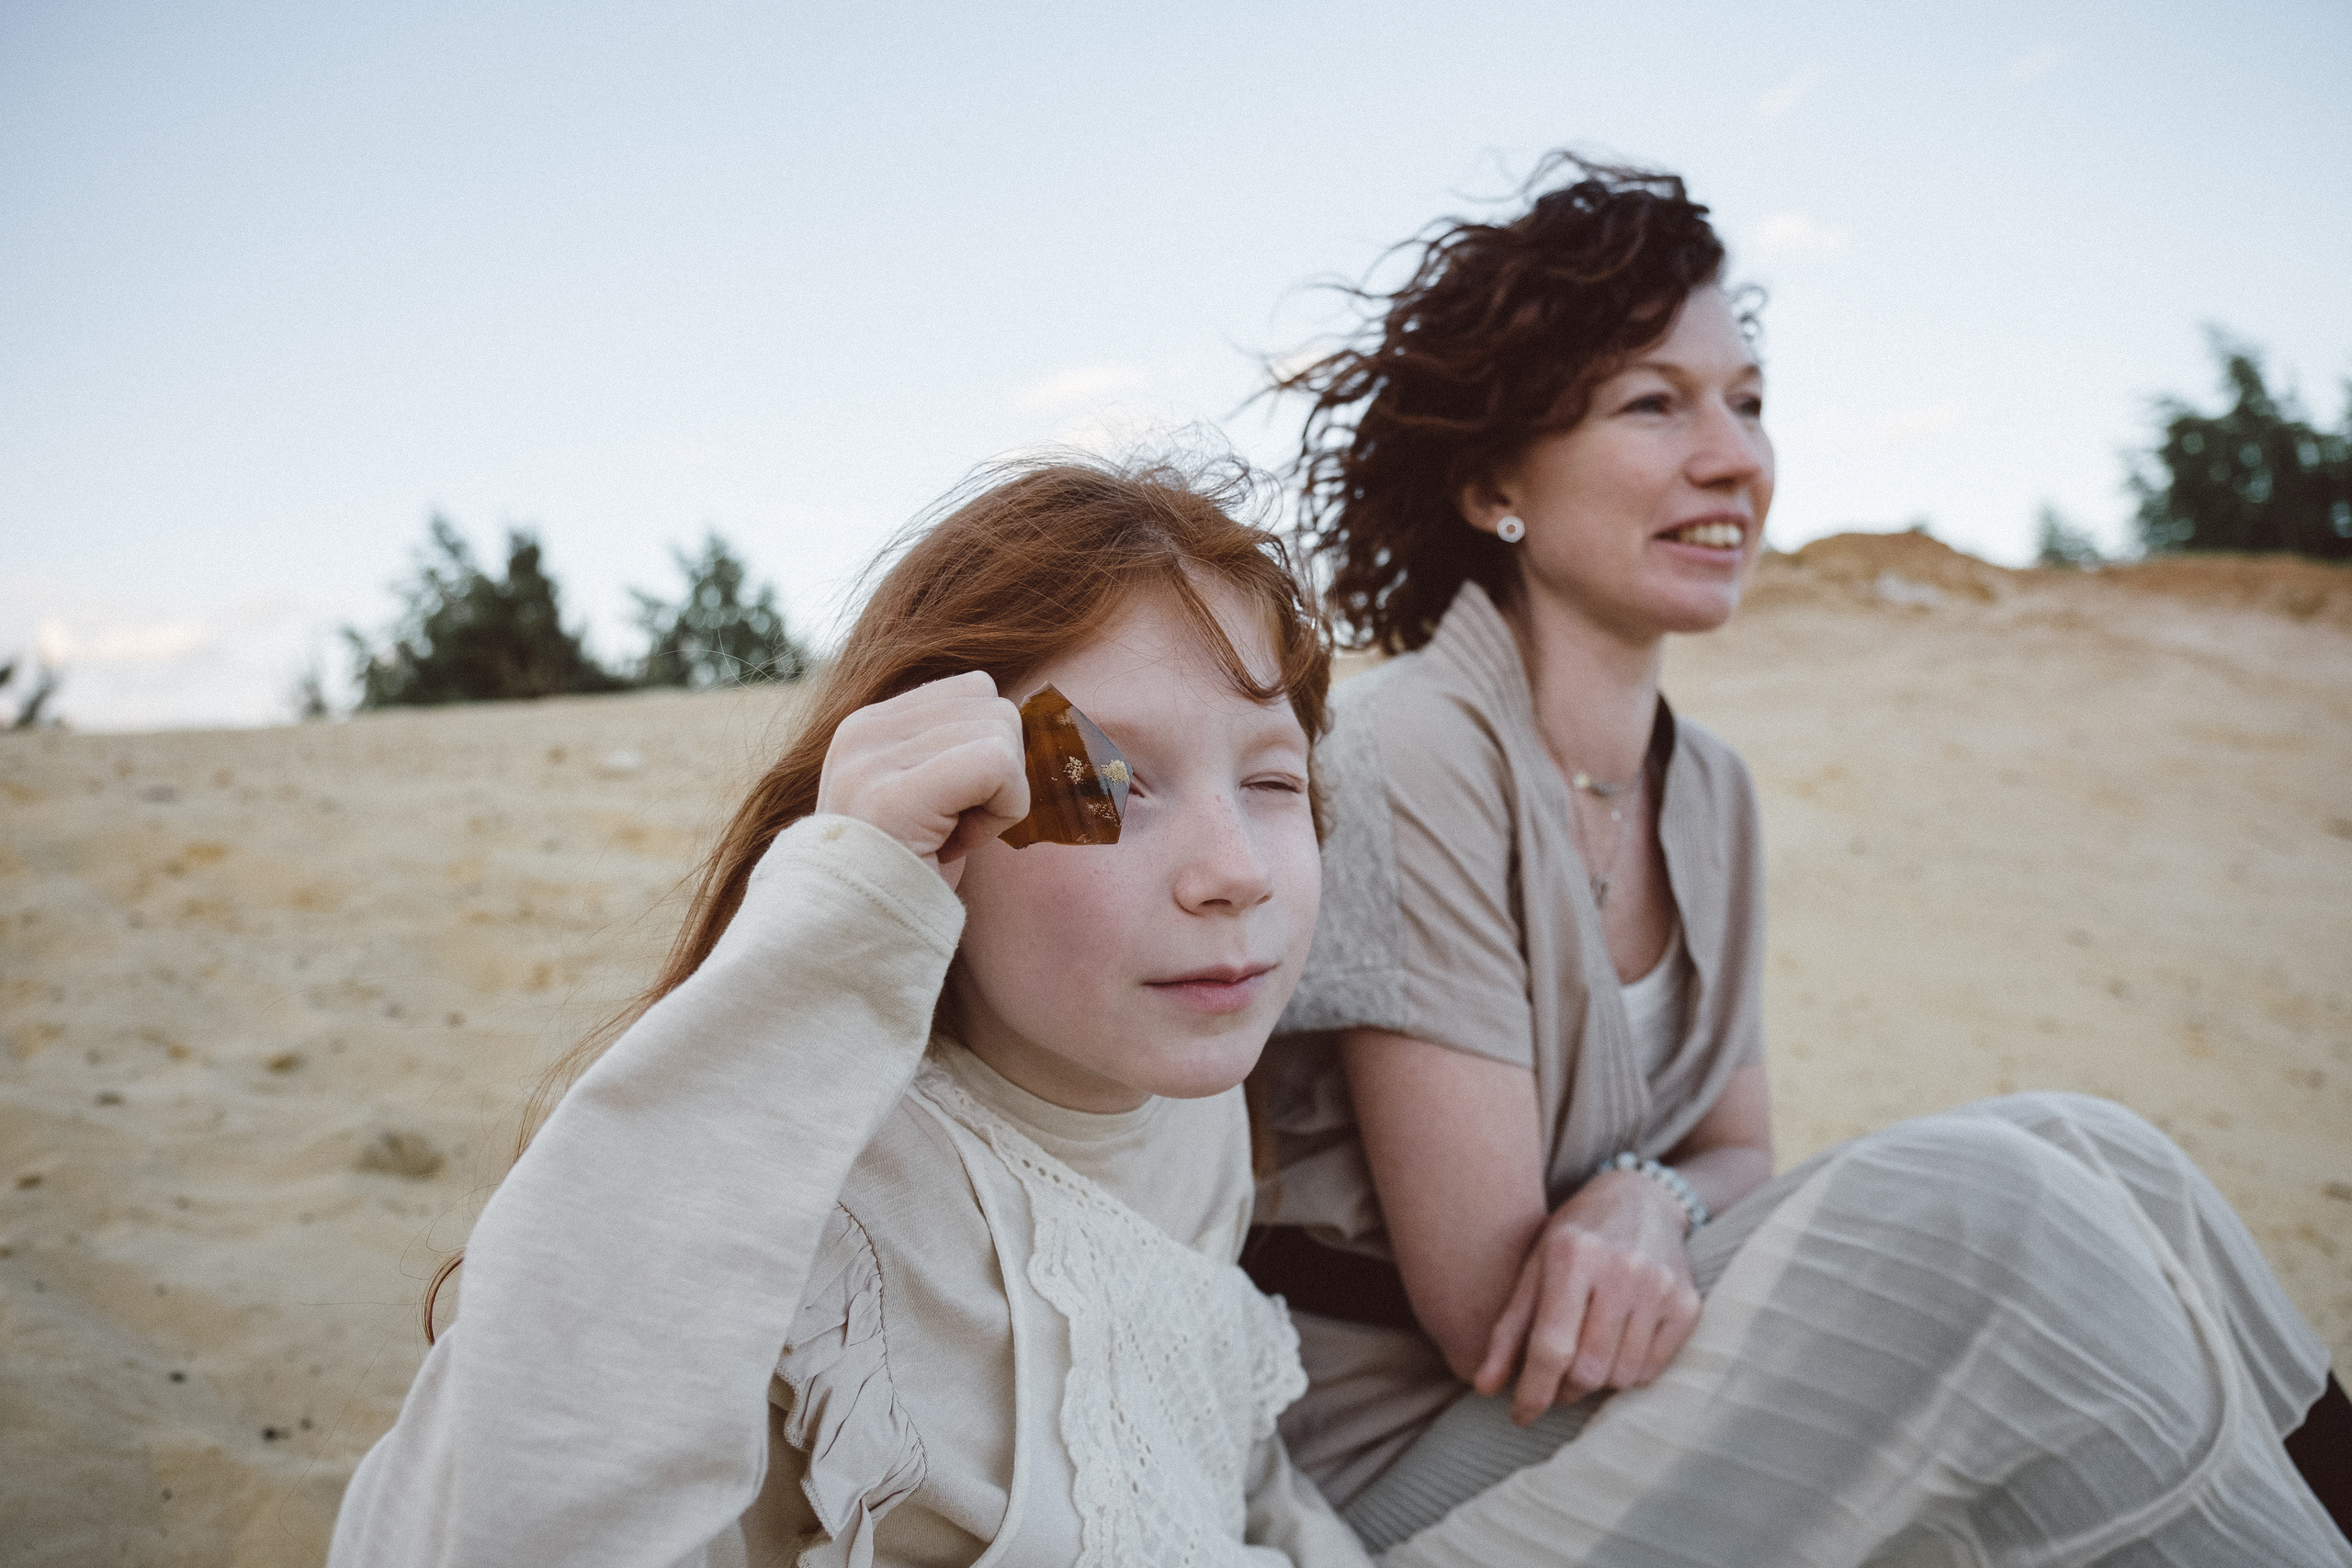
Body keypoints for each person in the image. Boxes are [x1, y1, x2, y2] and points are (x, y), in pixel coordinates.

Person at [1243, 156, 2351, 1564]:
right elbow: (1493, 1310)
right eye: (1656, 402)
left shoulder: (1708, 789)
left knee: (2096, 1144)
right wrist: (1667, 1199)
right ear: (1490, 480)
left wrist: (1656, 1193)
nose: (1736, 457)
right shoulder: (1413, 750)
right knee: (1994, 1214)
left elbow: (1736, 1144)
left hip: (1604, 1408)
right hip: (1401, 1477)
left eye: (1748, 402)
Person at [327, 457, 1378, 1567]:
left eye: (1273, 783)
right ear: (937, 827)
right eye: (1105, 786)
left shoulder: (1186, 1100)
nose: (1234, 869)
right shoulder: (824, 1221)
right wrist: (836, 924)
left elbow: (1205, 1444)